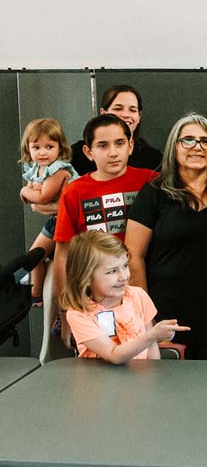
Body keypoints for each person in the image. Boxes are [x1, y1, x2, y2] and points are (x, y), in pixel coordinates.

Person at [126, 113, 207, 360]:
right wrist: (146, 315)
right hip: (165, 316)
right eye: (188, 140)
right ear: (174, 147)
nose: (197, 147)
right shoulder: (153, 193)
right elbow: (134, 255)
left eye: (205, 141)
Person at [52, 114, 156, 348]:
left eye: (119, 143)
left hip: (141, 293)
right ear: (89, 152)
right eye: (103, 145)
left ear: (130, 146)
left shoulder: (150, 180)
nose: (113, 152)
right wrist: (65, 313)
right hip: (94, 302)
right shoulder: (75, 192)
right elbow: (62, 255)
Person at [61, 231, 189, 363]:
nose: (123, 276)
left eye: (125, 266)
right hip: (100, 381)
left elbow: (151, 348)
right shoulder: (79, 313)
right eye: (112, 271)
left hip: (138, 379)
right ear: (85, 278)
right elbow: (113, 355)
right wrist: (152, 336)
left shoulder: (138, 296)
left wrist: (153, 375)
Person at [18, 118, 79, 308]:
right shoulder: (37, 167)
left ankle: (35, 295)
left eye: (49, 146)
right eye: (36, 147)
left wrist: (23, 191)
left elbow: (43, 197)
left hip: (68, 220)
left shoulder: (58, 169)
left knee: (34, 257)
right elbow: (33, 194)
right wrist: (31, 193)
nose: (42, 152)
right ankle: (37, 293)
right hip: (57, 217)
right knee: (35, 257)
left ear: (59, 148)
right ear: (28, 148)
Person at [71, 84, 162, 175]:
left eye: (132, 110)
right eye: (118, 108)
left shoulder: (153, 158)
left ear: (139, 117)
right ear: (103, 113)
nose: (126, 114)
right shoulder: (76, 155)